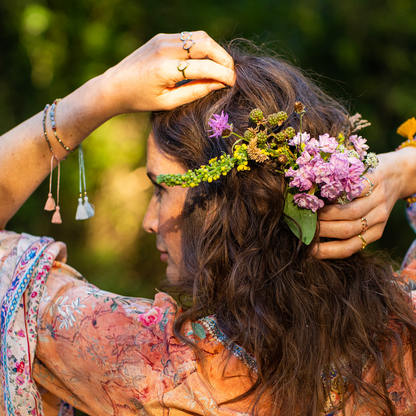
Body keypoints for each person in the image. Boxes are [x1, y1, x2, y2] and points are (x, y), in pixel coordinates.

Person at [1, 31, 416, 416]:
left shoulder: (151, 363)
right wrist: (401, 170)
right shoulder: (401, 337)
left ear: (229, 207)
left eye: (161, 190)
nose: (148, 221)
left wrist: (101, 94)